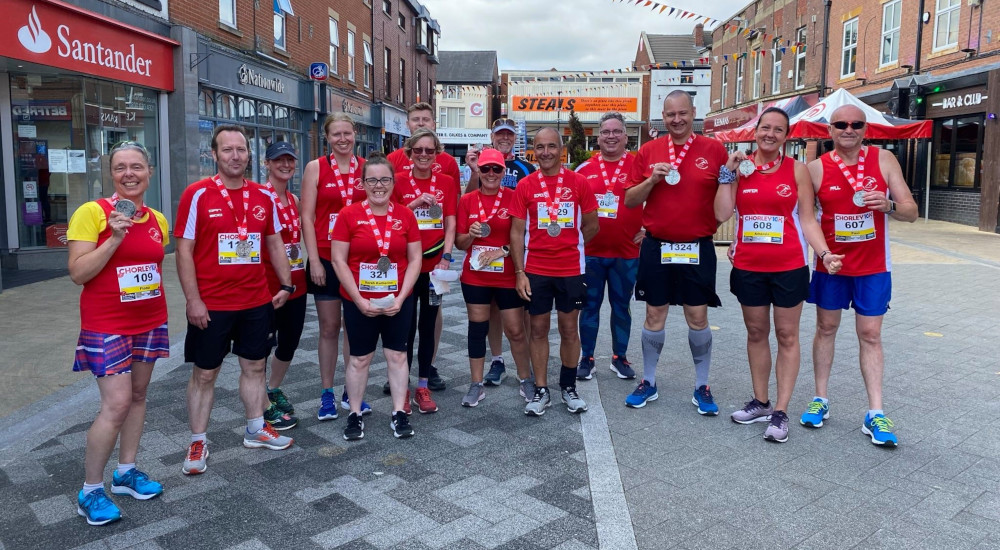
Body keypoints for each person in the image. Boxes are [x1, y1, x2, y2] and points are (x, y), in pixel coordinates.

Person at [714, 107, 844, 443]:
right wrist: (727, 176)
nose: (770, 134)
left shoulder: (797, 170)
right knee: (756, 332)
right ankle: (760, 401)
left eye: (778, 130)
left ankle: (781, 411)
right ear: (755, 131)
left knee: (787, 336)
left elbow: (808, 219)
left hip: (788, 266)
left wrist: (825, 253)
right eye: (765, 128)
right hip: (749, 266)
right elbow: (722, 213)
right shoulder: (740, 168)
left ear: (787, 136)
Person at [175, 124, 295, 476]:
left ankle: (256, 427)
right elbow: (184, 251)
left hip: (255, 301)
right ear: (213, 155)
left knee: (255, 366)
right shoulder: (196, 194)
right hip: (212, 303)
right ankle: (198, 440)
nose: (235, 156)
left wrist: (286, 285)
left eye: (240, 149)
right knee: (205, 373)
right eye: (227, 150)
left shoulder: (262, 196)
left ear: (249, 154)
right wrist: (192, 300)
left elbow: (274, 242)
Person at [801, 105, 917, 446]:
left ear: (865, 129)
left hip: (873, 267)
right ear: (830, 131)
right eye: (841, 124)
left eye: (856, 124)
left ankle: (875, 412)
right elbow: (807, 218)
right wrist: (823, 254)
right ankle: (820, 398)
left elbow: (911, 211)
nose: (848, 129)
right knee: (825, 328)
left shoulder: (885, 161)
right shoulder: (815, 169)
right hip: (832, 265)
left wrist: (890, 206)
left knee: (870, 334)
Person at [67, 141, 170, 525]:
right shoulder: (91, 213)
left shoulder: (158, 219)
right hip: (106, 324)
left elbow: (151, 268)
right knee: (116, 405)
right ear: (111, 173)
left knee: (139, 396)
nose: (129, 173)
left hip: (149, 320)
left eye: (137, 167)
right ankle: (90, 491)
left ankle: (126, 472)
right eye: (121, 167)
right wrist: (113, 238)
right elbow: (78, 273)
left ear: (149, 172)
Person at [622, 90, 729, 414]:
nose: (677, 119)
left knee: (698, 317)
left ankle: (702, 386)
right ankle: (649, 381)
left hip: (697, 247)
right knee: (654, 315)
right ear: (663, 116)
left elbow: (725, 201)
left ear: (693, 113)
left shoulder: (714, 149)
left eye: (683, 113)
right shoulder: (649, 151)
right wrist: (652, 180)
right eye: (671, 115)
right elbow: (629, 200)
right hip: (658, 246)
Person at [331, 153, 423, 440]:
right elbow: (338, 260)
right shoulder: (348, 215)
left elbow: (416, 258)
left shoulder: (405, 215)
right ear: (363, 183)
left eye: (385, 179)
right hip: (360, 300)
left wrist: (402, 297)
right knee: (359, 359)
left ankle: (398, 412)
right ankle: (355, 414)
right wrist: (358, 300)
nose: (379, 185)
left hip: (398, 300)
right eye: (372, 180)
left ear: (394, 182)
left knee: (397, 355)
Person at [510, 128, 599, 416]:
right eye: (540, 147)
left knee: (569, 329)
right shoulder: (525, 185)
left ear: (561, 149)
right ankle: (541, 389)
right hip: (536, 269)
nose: (545, 152)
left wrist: (568, 243)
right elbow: (516, 232)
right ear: (533, 150)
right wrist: (520, 272)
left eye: (551, 146)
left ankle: (569, 386)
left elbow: (592, 225)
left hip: (571, 269)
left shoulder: (579, 182)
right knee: (537, 329)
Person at [300, 113, 370, 421]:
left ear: (355, 134)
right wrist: (313, 259)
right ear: (327, 137)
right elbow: (307, 216)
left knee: (353, 328)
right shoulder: (316, 168)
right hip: (326, 259)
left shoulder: (367, 168)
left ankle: (350, 391)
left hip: (357, 260)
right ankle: (327, 392)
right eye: (336, 134)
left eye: (347, 133)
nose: (342, 139)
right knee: (329, 328)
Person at [385, 102, 459, 393]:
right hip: (405, 265)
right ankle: (399, 378)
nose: (424, 156)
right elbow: (389, 217)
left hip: (434, 265)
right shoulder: (399, 180)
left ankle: (424, 381)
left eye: (430, 151)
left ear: (437, 153)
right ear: (409, 153)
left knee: (428, 325)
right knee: (404, 324)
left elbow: (451, 223)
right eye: (419, 151)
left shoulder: (448, 181)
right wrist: (412, 204)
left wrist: (447, 257)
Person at [455, 148, 532, 407]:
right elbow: (460, 244)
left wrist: (504, 251)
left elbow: (522, 237)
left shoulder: (514, 197)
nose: (490, 174)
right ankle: (476, 384)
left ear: (503, 172)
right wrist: (472, 235)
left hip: (507, 275)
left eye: (496, 169)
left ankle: (525, 378)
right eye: (485, 168)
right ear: (479, 170)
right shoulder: (467, 200)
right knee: (477, 329)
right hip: (475, 276)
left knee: (515, 330)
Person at [465, 117, 536, 387]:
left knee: (521, 314)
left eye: (509, 134)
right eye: (500, 135)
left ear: (514, 138)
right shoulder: (479, 165)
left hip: (516, 251)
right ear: (492, 137)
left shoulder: (525, 167)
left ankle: (526, 361)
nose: (504, 138)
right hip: (485, 256)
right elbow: (468, 202)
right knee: (492, 310)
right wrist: (474, 172)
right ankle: (497, 360)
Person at [574, 112, 644, 382]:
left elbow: (659, 198)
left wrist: (650, 229)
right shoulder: (583, 169)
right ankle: (587, 358)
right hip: (591, 254)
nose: (611, 136)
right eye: (606, 132)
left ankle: (620, 357)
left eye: (617, 131)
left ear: (626, 136)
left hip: (627, 253)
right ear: (598, 137)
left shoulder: (640, 166)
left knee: (621, 306)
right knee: (589, 307)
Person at [259, 141, 308, 430]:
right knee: (262, 347)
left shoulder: (295, 200)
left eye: (290, 160)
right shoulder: (259, 197)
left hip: (296, 283)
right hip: (268, 285)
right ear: (267, 163)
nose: (285, 165)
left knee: (290, 342)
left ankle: (272, 388)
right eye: (279, 160)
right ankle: (261, 404)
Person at [387, 102, 462, 195]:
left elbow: (456, 198)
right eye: (415, 119)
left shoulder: (449, 161)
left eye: (426, 120)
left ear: (433, 125)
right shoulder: (392, 159)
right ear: (407, 124)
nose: (421, 123)